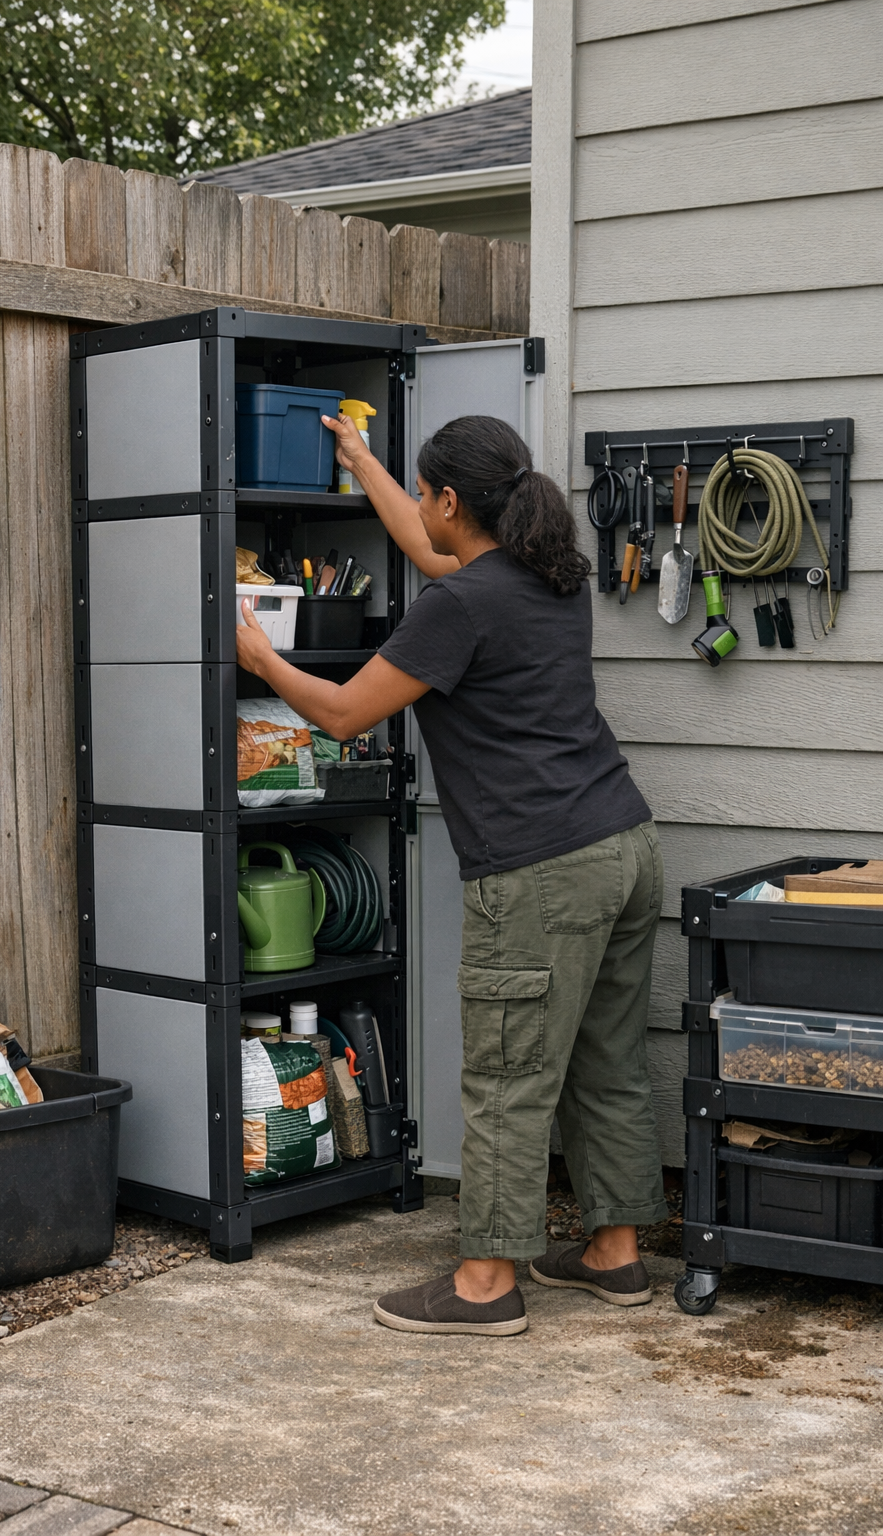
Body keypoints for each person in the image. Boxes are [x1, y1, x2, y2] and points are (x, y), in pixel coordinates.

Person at [236, 412, 667, 1337]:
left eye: (427, 494)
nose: (422, 511)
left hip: (542, 872)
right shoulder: (549, 578)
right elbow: (435, 556)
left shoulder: (461, 607)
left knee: (508, 1077)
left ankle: (483, 1285)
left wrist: (263, 657)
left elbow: (348, 716)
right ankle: (612, 1255)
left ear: (452, 501)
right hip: (625, 848)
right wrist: (364, 465)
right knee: (607, 1064)